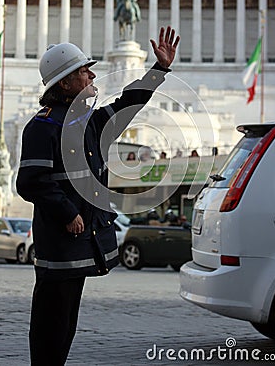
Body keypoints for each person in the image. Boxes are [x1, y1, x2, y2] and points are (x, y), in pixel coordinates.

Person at [16, 25, 180, 365]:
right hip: (62, 244)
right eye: (82, 71)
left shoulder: (86, 122)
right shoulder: (43, 126)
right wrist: (66, 212)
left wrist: (159, 70)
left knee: (64, 327)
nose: (91, 75)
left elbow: (127, 104)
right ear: (64, 84)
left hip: (79, 243)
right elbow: (30, 181)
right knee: (51, 328)